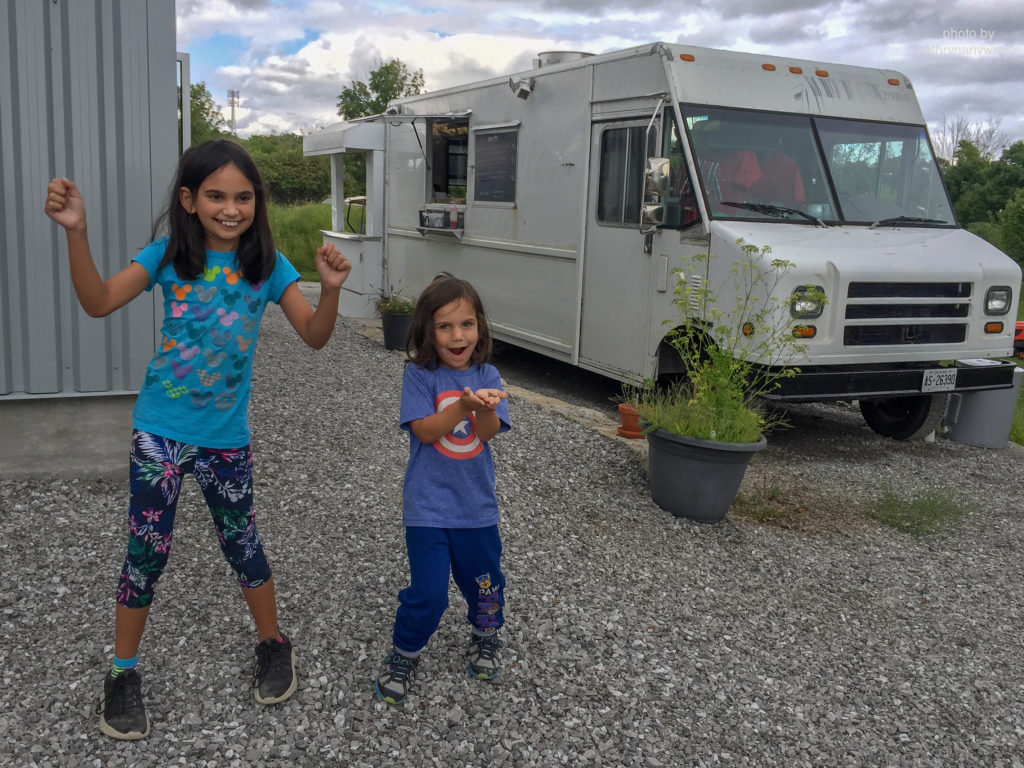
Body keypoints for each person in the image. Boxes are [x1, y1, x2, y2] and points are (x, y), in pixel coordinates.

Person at [43, 139, 352, 740]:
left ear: (257, 202)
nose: (230, 208)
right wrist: (75, 233)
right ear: (189, 199)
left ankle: (272, 643)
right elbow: (99, 301)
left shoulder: (269, 266)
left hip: (225, 441)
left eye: (242, 196)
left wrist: (331, 290)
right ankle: (122, 672)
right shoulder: (168, 255)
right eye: (215, 195)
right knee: (146, 552)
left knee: (243, 544)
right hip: (160, 434)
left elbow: (314, 336)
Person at [374, 275, 511, 705]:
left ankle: (486, 633)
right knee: (429, 593)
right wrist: (462, 406)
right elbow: (426, 431)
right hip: (427, 510)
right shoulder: (419, 376)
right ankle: (404, 652)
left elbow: (486, 434)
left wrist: (483, 408)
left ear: (480, 328)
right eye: (445, 326)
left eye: (467, 324)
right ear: (427, 332)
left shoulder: (489, 374)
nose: (458, 336)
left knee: (485, 584)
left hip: (477, 510)